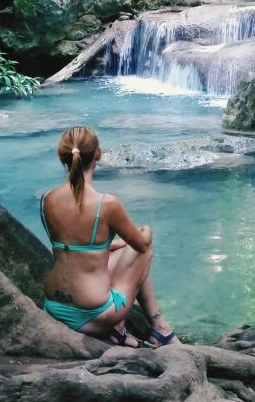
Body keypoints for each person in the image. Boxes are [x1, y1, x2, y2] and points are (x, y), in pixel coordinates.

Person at [39, 126, 179, 347]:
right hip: (94, 315)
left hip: (54, 307)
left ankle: (137, 331)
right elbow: (142, 245)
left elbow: (75, 247)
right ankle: (154, 328)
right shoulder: (107, 204)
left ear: (61, 155)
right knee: (144, 248)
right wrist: (147, 229)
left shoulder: (47, 199)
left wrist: (117, 244)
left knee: (124, 248)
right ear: (98, 153)